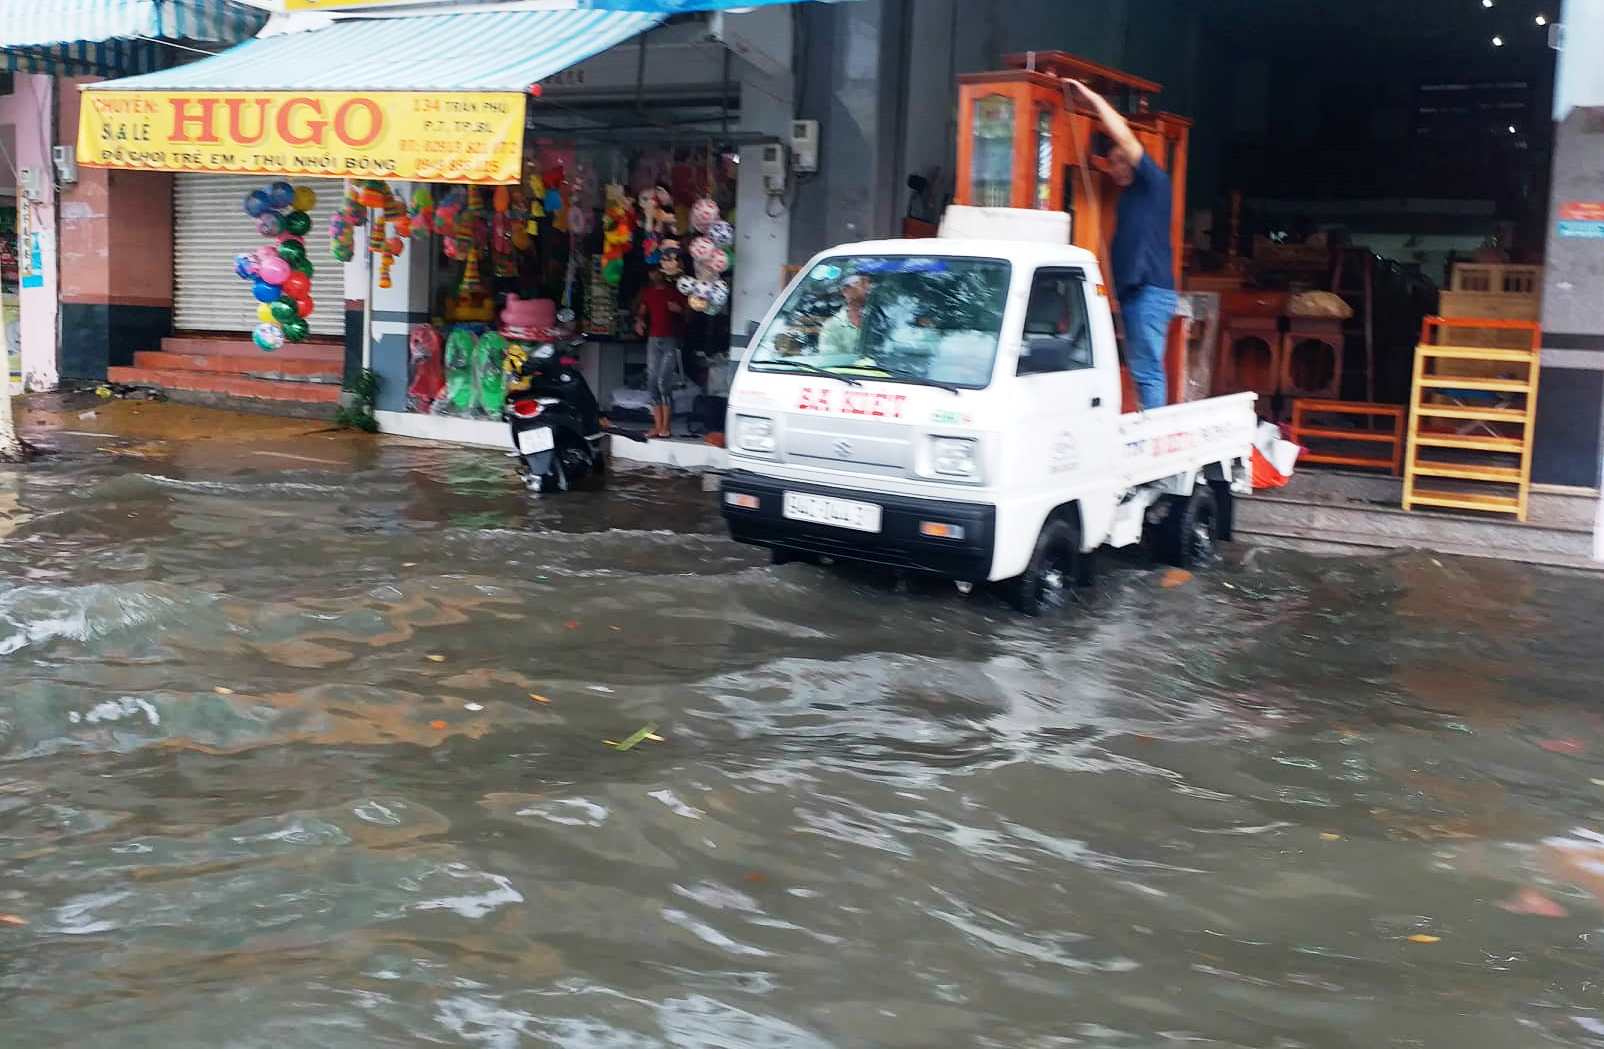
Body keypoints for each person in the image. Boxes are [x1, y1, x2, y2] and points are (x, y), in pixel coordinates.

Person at [1065, 78, 1177, 411]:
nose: (1112, 168)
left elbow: (1124, 134)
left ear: (1131, 161)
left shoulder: (1154, 184)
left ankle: (1153, 444)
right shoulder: (1128, 198)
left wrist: (1090, 97)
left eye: (1116, 161)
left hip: (1150, 293)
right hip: (1135, 295)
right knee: (1142, 371)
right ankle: (1149, 431)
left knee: (1147, 373)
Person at [635, 268, 685, 439]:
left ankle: (666, 427)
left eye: (656, 272)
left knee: (664, 382)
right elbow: (642, 311)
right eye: (651, 272)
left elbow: (688, 313)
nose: (653, 274)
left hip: (669, 339)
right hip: (653, 340)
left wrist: (678, 309)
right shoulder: (648, 293)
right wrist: (640, 321)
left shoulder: (673, 292)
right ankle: (657, 427)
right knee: (652, 383)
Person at [817, 274, 871, 360]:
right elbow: (829, 360)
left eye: (868, 284)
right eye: (861, 284)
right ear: (845, 291)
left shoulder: (880, 321)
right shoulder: (832, 325)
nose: (867, 289)